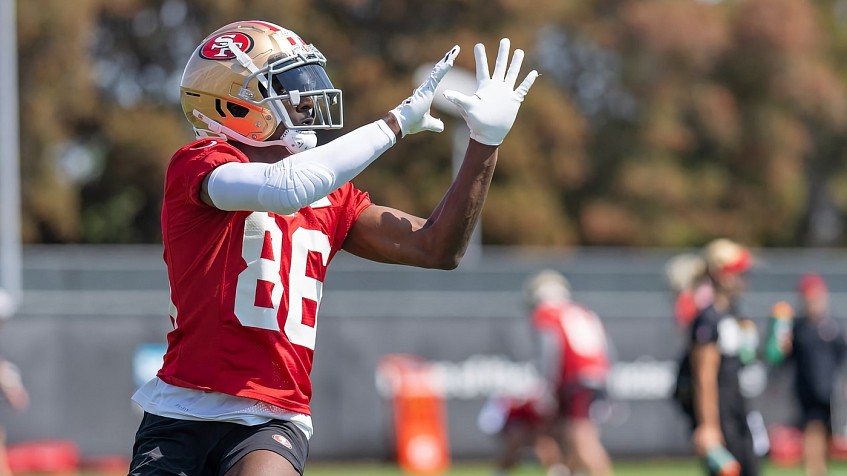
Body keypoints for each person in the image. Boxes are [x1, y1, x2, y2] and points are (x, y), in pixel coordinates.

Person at [127, 20, 538, 476]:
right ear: (231, 104)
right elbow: (285, 188)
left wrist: (485, 144)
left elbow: (436, 248)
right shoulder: (200, 164)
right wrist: (395, 123)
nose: (304, 100)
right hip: (181, 407)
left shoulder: (333, 195)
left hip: (271, 416)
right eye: (281, 86)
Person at [523, 269, 614, 476]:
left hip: (575, 381)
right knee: (569, 437)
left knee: (583, 439)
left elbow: (550, 354)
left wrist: (547, 387)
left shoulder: (547, 315)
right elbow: (607, 350)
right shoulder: (583, 311)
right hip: (594, 378)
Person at [683, 238, 759, 476]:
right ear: (720, 274)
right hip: (721, 415)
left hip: (739, 410)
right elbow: (704, 375)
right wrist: (709, 426)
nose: (743, 278)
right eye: (738, 272)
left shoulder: (734, 314)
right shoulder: (709, 319)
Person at [769, 273, 846, 476]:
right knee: (812, 427)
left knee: (829, 432)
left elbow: (841, 357)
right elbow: (781, 359)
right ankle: (814, 470)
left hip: (830, 390)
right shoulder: (798, 328)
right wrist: (781, 347)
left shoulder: (832, 328)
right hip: (807, 389)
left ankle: (821, 468)